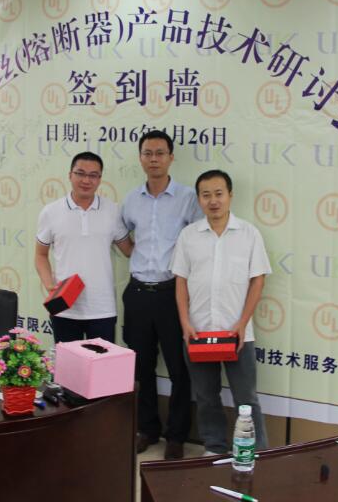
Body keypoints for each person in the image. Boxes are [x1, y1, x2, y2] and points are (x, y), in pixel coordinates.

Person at [171, 169, 271, 454]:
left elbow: (258, 280)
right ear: (199, 199)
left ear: (230, 196)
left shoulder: (249, 234)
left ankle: (255, 452)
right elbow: (181, 282)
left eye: (218, 194)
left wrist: (242, 322)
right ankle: (214, 447)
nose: (213, 201)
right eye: (206, 195)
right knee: (205, 396)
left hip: (237, 333)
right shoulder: (189, 236)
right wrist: (185, 323)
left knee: (246, 398)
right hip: (198, 331)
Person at [121, 130, 201, 460]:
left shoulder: (188, 197)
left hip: (172, 294)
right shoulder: (131, 199)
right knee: (140, 367)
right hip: (138, 292)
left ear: (171, 157)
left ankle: (176, 436)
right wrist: (137, 256)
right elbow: (122, 237)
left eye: (160, 153)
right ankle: (147, 429)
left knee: (180, 368)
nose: (153, 159)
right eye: (147, 153)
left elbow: (199, 241)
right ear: (140, 157)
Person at [35, 151, 133, 343]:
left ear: (100, 179)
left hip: (102, 308)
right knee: (68, 361)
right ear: (70, 175)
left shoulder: (112, 210)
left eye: (93, 175)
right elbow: (40, 255)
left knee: (103, 361)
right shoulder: (51, 212)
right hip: (64, 308)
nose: (86, 180)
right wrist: (50, 286)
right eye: (80, 173)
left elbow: (128, 250)